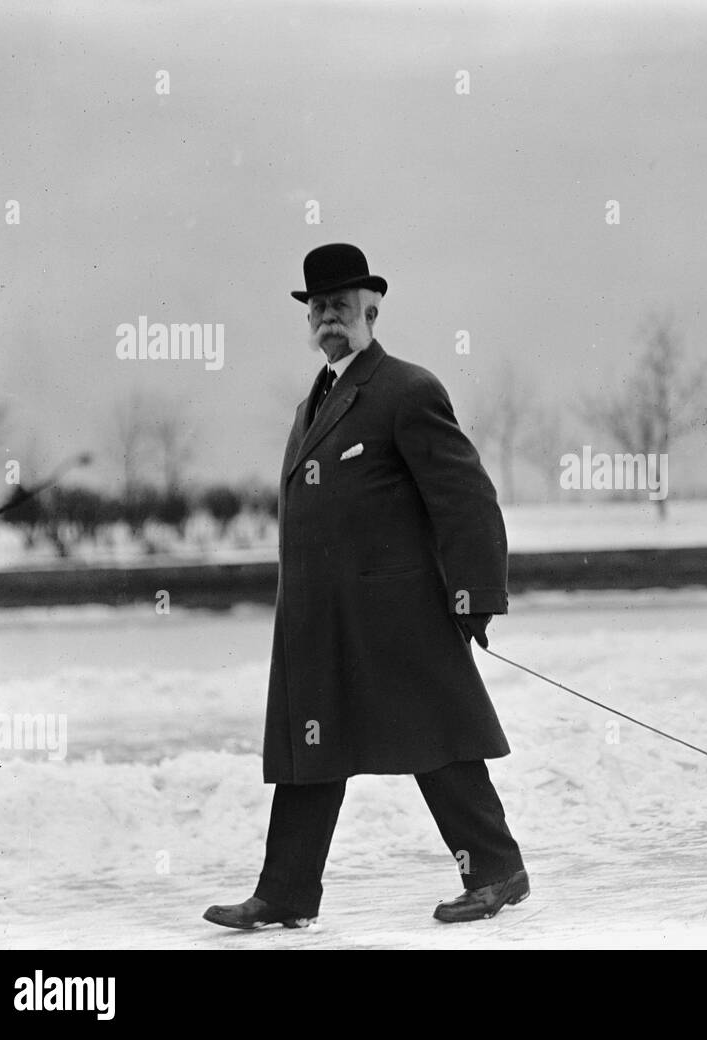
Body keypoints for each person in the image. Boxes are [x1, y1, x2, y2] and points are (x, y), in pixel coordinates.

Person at [203, 243, 528, 930]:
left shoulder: (406, 390)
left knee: (437, 743)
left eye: (341, 307)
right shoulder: (310, 406)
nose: (328, 319)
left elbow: (465, 498)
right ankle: (286, 891)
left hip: (398, 614)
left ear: (371, 311)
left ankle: (496, 872)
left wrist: (474, 595)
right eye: (318, 308)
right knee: (309, 753)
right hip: (320, 621)